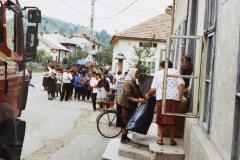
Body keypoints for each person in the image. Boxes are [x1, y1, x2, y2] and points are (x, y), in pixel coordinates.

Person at [145, 61, 185, 146]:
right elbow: (181, 85)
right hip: (174, 97)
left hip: (161, 98)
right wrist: (180, 97)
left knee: (160, 119)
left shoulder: (158, 73)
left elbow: (154, 89)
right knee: (173, 119)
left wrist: (148, 94)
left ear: (162, 66)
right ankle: (171, 140)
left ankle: (160, 139)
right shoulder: (176, 71)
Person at [118, 69, 146, 144]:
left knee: (128, 121)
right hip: (125, 105)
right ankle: (123, 138)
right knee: (125, 122)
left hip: (131, 106)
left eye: (139, 73)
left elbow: (139, 93)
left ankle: (125, 136)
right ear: (133, 74)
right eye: (137, 73)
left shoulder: (134, 82)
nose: (139, 74)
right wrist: (138, 101)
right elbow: (127, 96)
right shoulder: (128, 83)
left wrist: (147, 96)